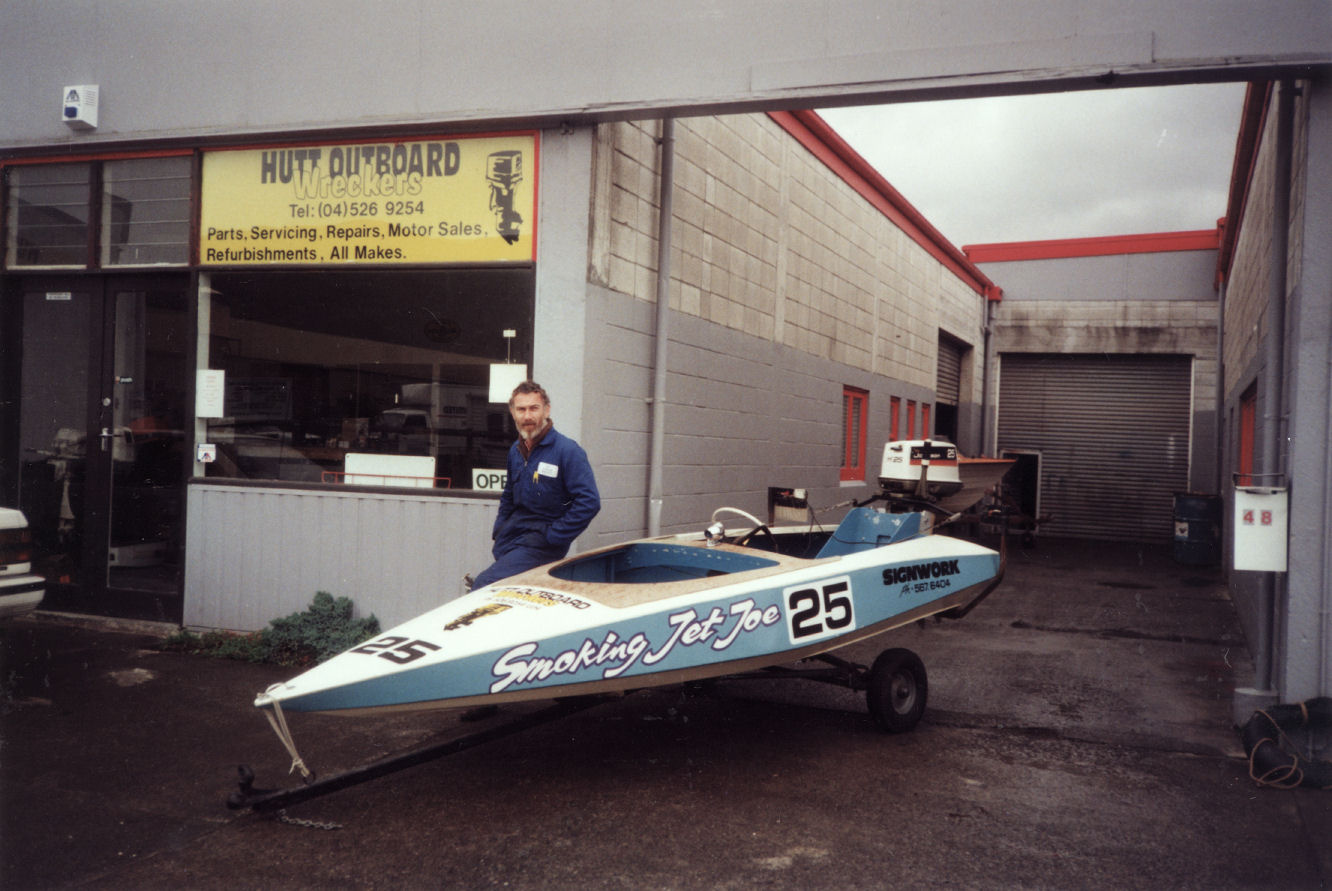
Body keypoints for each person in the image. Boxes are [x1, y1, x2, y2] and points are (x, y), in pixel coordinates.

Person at [470, 380, 600, 589]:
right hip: (511, 538)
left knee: (485, 585)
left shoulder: (567, 451)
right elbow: (509, 495)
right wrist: (500, 529)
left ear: (546, 410)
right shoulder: (515, 450)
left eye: (534, 408)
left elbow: (589, 502)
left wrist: (554, 535)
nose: (527, 416)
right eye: (521, 409)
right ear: (513, 413)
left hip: (542, 543)